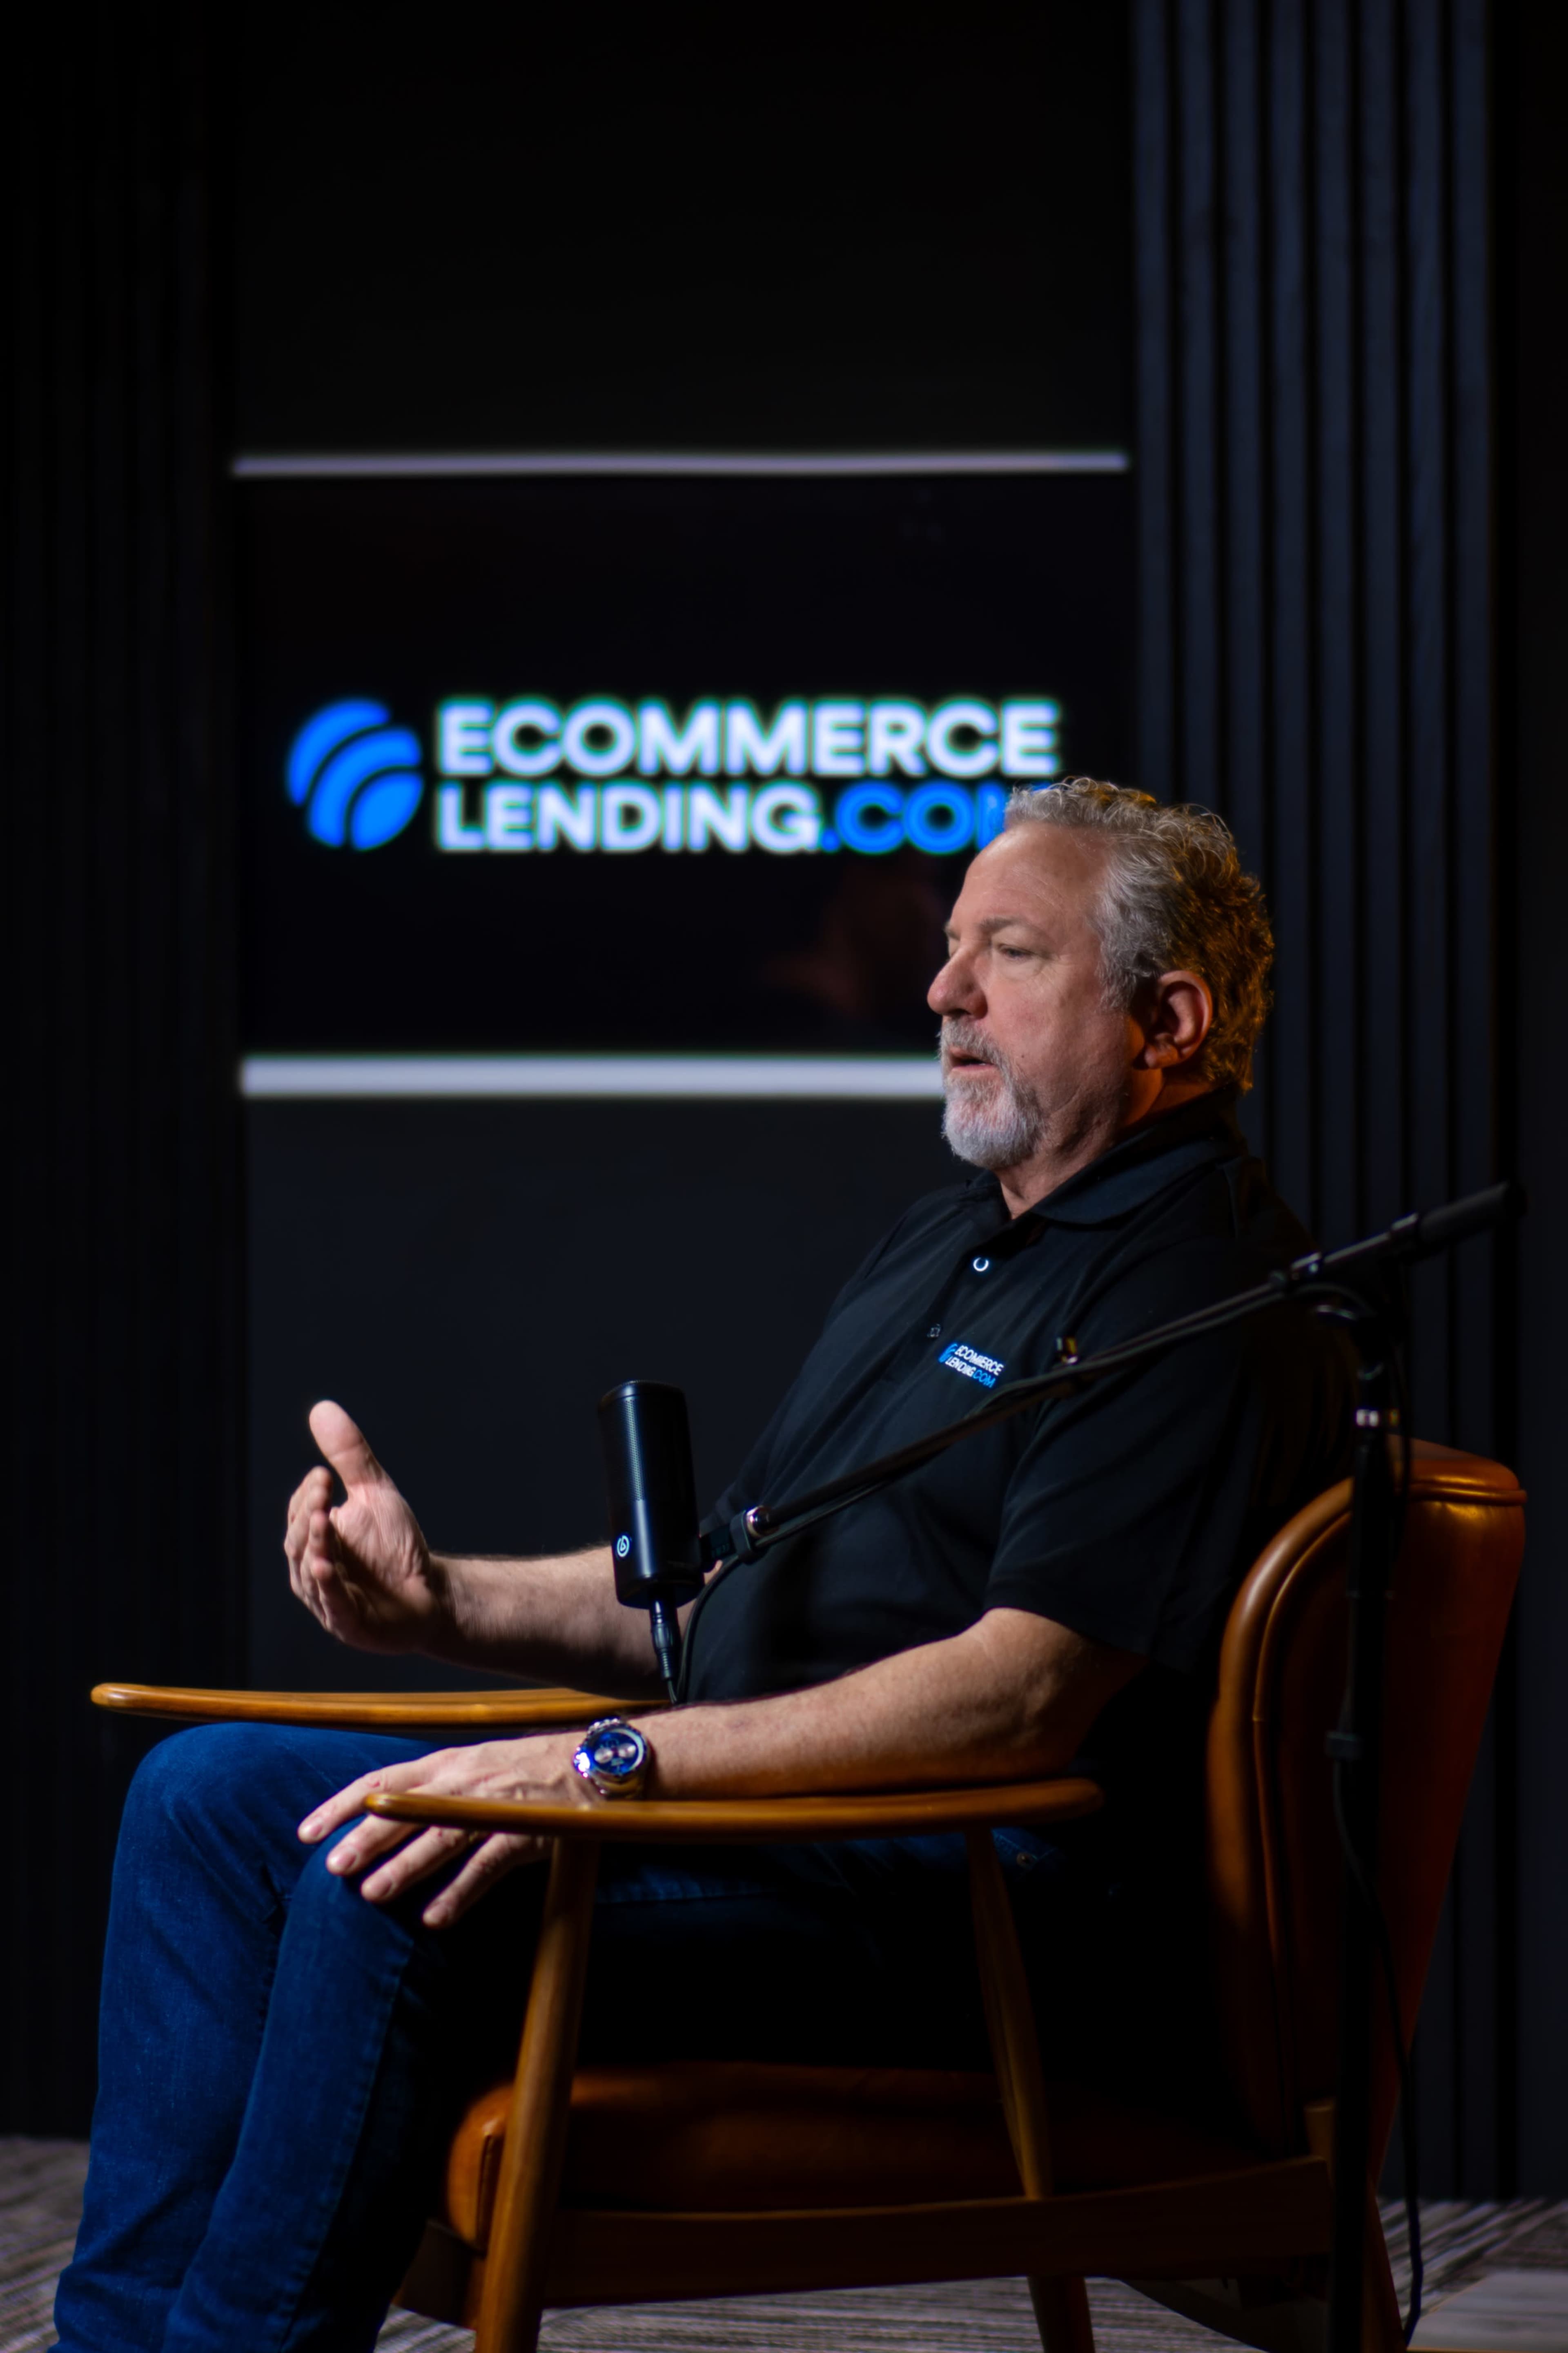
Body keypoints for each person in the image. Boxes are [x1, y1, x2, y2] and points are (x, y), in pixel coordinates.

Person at [56, 779, 1354, 2353]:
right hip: (768, 1837)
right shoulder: (953, 1239)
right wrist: (440, 1601)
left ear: (1170, 1017)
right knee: (197, 1800)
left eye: (1005, 953)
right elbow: (717, 1593)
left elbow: (1022, 1698)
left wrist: (598, 1768)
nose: (942, 992)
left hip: (960, 1901)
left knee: (394, 1875)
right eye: (949, 948)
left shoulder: (1198, 1298)